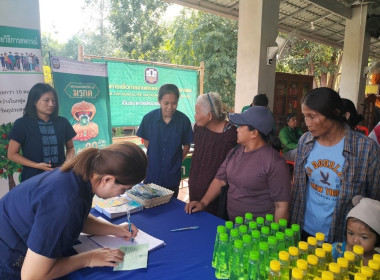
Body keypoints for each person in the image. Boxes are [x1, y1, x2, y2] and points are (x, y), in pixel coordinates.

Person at [0, 142, 148, 279]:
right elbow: (32, 276)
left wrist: (115, 230)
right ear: (107, 179)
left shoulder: (81, 174)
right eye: (124, 189)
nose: (122, 194)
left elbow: (78, 218)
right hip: (10, 254)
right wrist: (89, 258)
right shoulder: (66, 202)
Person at [290, 87, 380, 243]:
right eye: (305, 117)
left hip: (342, 237)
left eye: (312, 116)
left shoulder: (365, 148)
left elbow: (374, 198)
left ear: (335, 113)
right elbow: (298, 187)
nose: (307, 123)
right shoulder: (305, 141)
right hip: (305, 230)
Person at [185, 106, 291, 222]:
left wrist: (274, 237)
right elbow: (220, 180)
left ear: (254, 133)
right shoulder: (235, 151)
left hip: (258, 233)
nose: (237, 129)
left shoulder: (274, 163)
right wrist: (203, 203)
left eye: (241, 126)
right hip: (233, 228)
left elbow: (282, 206)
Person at [8, 83, 76, 182]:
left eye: (53, 101)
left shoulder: (63, 122)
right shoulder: (22, 124)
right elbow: (12, 154)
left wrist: (67, 163)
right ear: (34, 101)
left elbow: (71, 147)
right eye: (46, 100)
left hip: (60, 176)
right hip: (32, 179)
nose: (51, 104)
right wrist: (37, 165)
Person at [137, 84, 193, 198]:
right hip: (152, 174)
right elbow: (146, 141)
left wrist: (176, 160)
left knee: (170, 207)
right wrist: (155, 155)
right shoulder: (149, 118)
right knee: (150, 207)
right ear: (159, 101)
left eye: (174, 103)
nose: (170, 107)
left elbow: (186, 146)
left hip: (172, 177)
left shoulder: (184, 121)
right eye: (166, 103)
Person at [188, 92, 237, 216]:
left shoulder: (231, 135)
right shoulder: (198, 129)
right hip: (195, 190)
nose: (195, 116)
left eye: (197, 113)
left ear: (209, 115)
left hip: (218, 195)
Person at [332, 196, 380, 265]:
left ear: (377, 239)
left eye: (364, 237)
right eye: (351, 233)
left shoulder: (377, 261)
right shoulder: (336, 250)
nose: (355, 241)